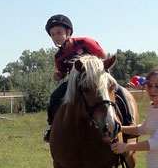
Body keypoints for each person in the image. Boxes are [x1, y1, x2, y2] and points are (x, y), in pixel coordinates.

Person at [43, 14, 133, 142]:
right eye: (52, 34)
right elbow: (63, 72)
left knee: (120, 91)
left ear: (68, 32)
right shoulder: (58, 56)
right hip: (76, 82)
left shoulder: (85, 42)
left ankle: (129, 122)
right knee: (55, 96)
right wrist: (59, 75)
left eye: (59, 32)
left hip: (99, 77)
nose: (56, 37)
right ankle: (52, 127)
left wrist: (97, 72)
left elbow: (103, 56)